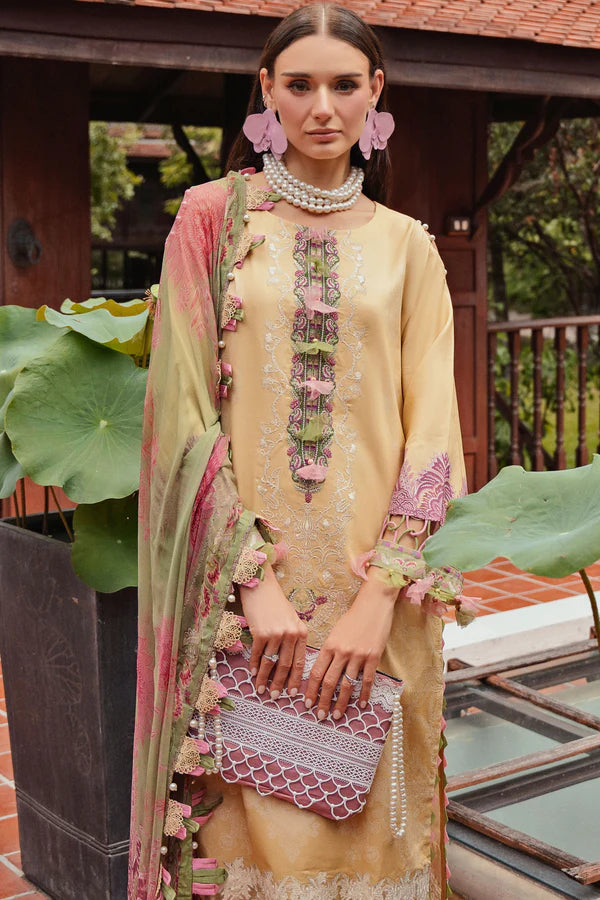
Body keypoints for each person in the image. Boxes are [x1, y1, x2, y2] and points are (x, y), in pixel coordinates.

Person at [128, 4, 468, 898]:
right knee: (240, 843)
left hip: (375, 602)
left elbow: (433, 428)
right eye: (300, 85)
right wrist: (252, 582)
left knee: (373, 841)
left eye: (345, 85)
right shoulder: (213, 221)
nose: (323, 107)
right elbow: (182, 419)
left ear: (375, 92)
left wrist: (379, 596)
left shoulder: (408, 248)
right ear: (267, 93)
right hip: (244, 604)